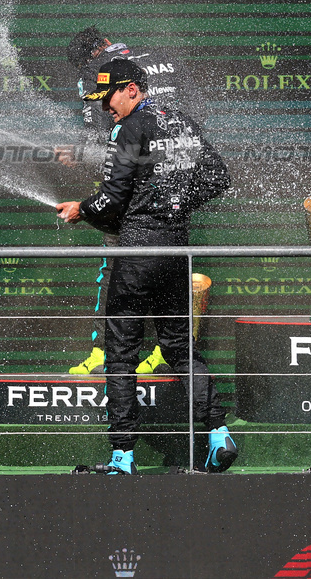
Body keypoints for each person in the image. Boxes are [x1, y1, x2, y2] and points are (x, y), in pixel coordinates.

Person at [55, 58, 235, 475]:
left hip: (137, 253)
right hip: (175, 251)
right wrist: (172, 206)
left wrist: (82, 209)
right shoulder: (181, 122)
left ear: (132, 89)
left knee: (120, 355)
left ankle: (122, 456)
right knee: (178, 348)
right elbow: (218, 177)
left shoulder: (129, 128)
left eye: (109, 98)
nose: (106, 110)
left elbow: (111, 201)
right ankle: (219, 432)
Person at [62, 27, 203, 377]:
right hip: (174, 191)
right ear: (106, 43)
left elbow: (104, 134)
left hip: (130, 195)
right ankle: (165, 352)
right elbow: (190, 124)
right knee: (169, 273)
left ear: (89, 56)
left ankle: (104, 354)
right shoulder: (160, 62)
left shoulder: (99, 72)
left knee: (118, 267)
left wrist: (77, 154)